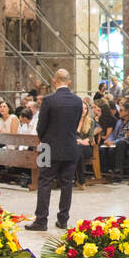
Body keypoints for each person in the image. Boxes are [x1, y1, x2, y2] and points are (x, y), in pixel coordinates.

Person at [25, 69, 83, 231]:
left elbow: (41, 126)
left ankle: (41, 221)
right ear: (69, 81)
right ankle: (63, 220)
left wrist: (45, 140)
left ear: (54, 81)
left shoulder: (49, 100)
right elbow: (76, 123)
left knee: (44, 182)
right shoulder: (77, 101)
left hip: (48, 147)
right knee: (67, 184)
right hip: (71, 146)